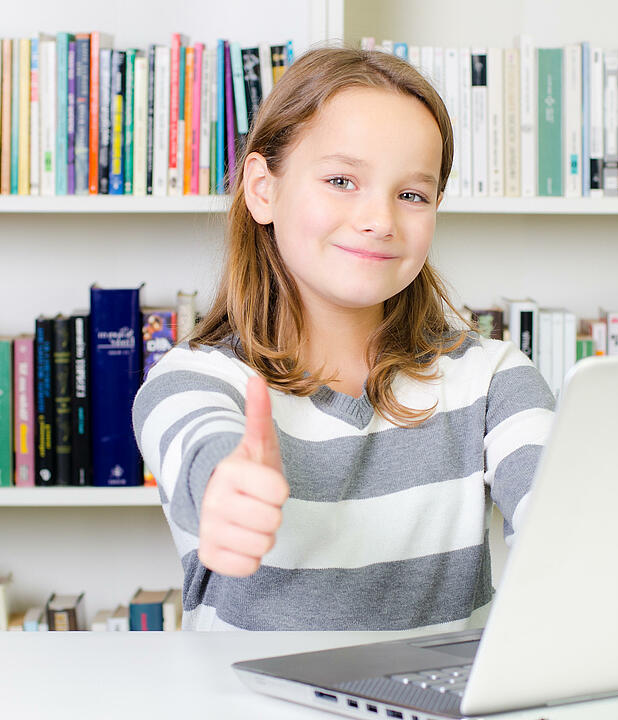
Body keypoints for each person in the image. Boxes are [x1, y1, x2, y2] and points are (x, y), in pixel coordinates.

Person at [132, 47, 555, 632]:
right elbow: (203, 449)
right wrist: (228, 490)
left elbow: (558, 511)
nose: (380, 219)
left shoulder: (493, 377)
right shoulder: (195, 379)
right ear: (262, 189)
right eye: (341, 180)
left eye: (412, 194)